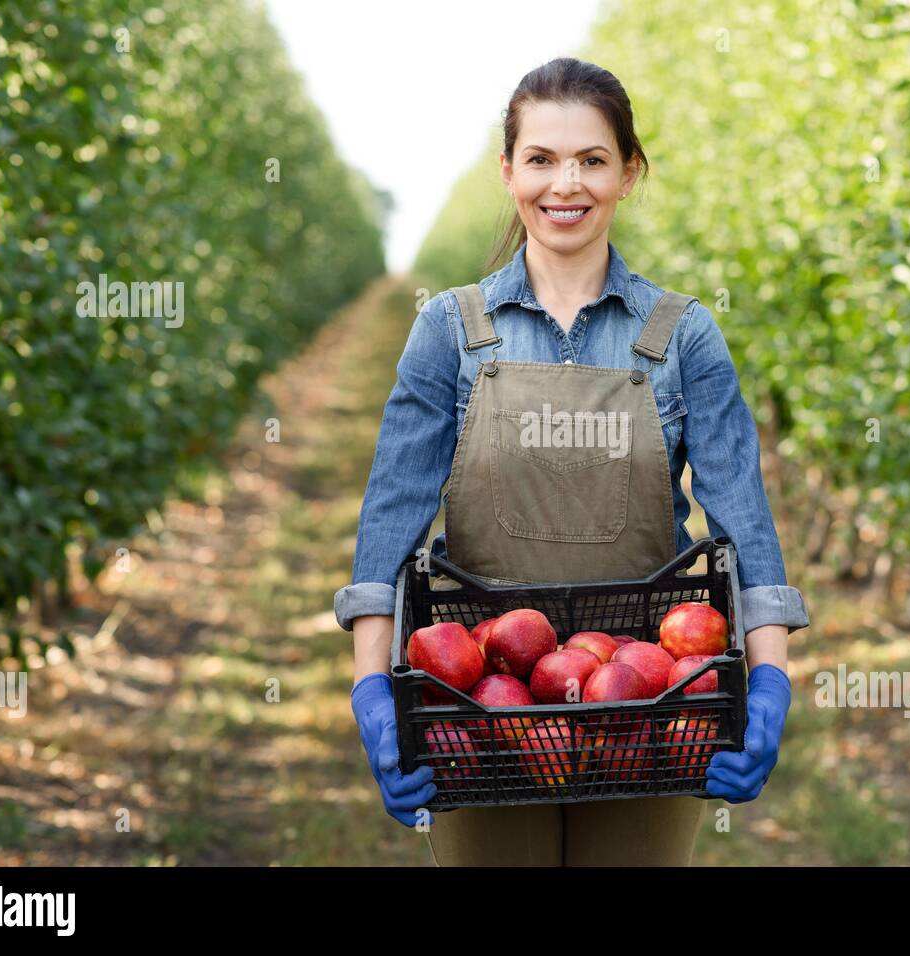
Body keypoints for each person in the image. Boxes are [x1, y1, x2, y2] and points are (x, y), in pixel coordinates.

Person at [336, 57, 809, 866]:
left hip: (650, 696)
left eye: (592, 160)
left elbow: (744, 524)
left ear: (629, 172)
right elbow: (391, 519)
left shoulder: (682, 336)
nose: (567, 184)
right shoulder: (450, 333)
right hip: (480, 700)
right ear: (509, 171)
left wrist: (767, 683)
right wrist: (374, 686)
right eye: (542, 159)